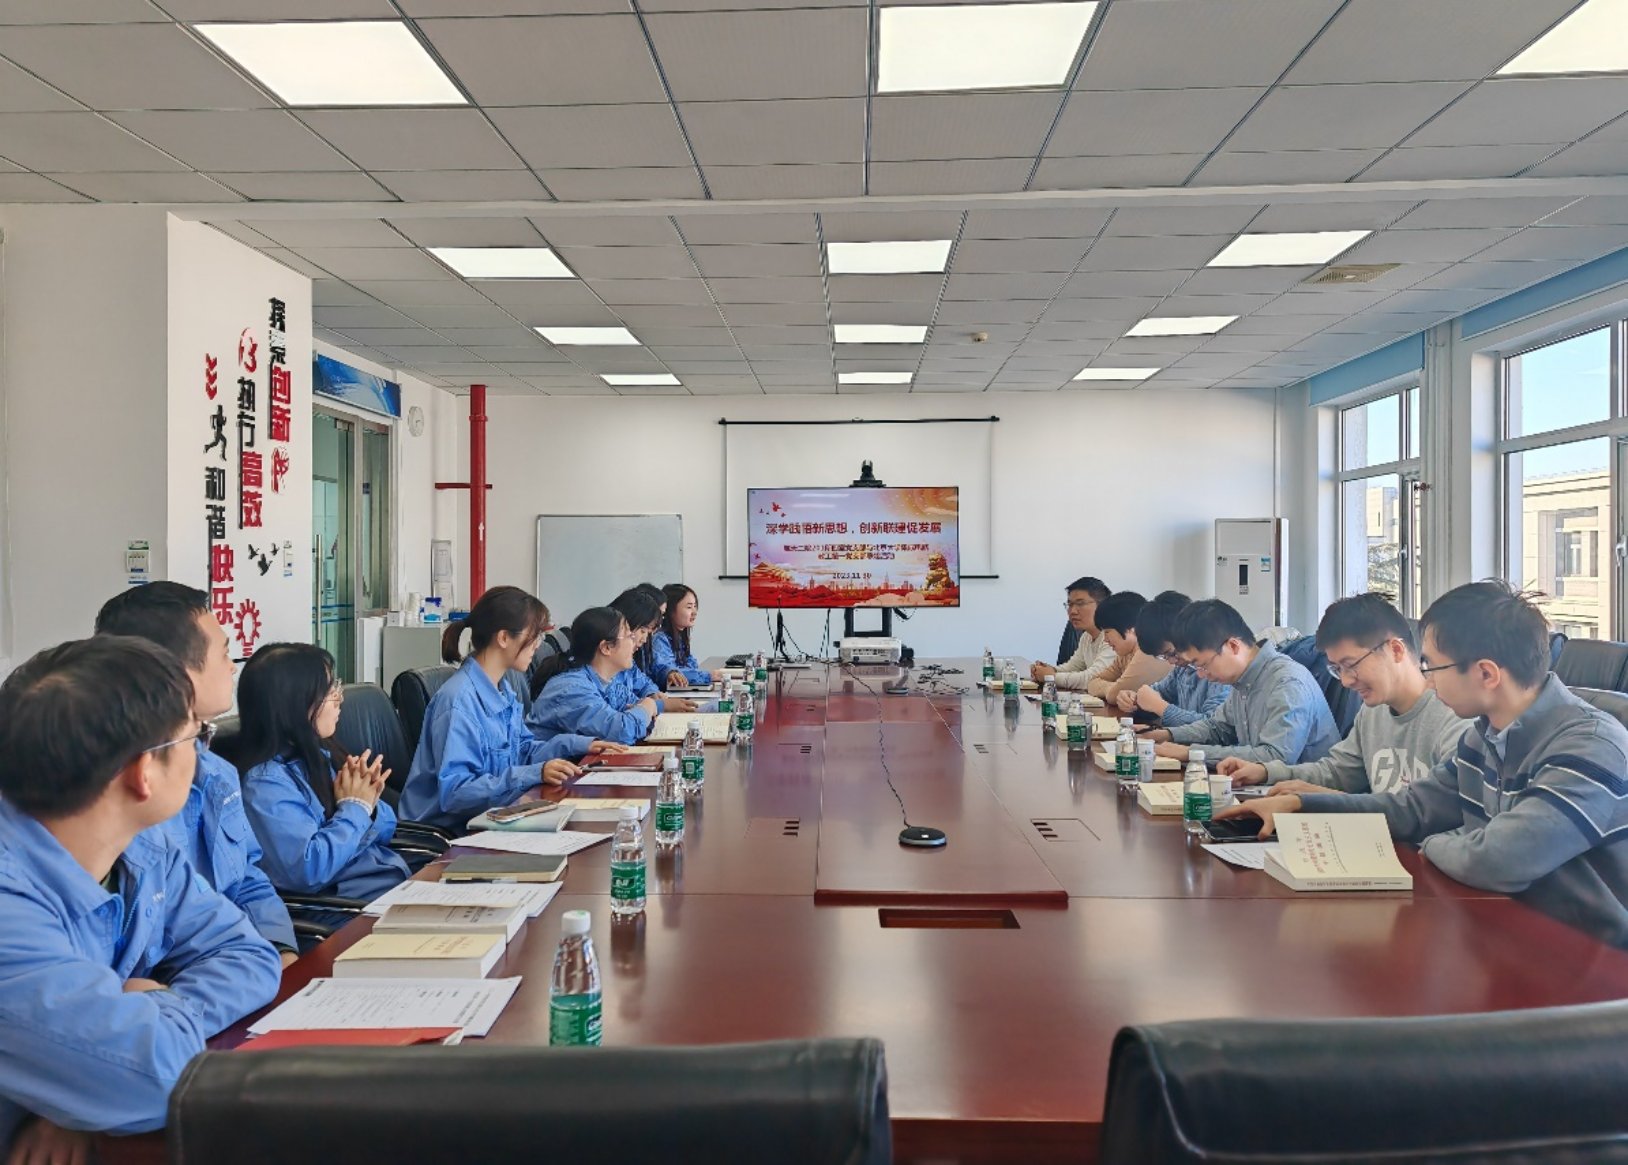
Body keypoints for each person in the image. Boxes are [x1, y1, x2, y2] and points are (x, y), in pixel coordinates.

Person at [1218, 581, 1628, 948]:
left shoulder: (1589, 745)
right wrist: (1300, 806)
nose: (1427, 679)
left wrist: (1428, 844)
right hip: (1501, 934)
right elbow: (1412, 809)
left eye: (1432, 666)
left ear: (1486, 674)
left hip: (1590, 967)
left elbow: (1499, 860)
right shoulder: (1483, 736)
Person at [0, 638, 281, 1157]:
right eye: (196, 737)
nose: (202, 754)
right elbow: (156, 1078)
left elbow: (249, 955)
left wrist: (92, 1077)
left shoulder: (144, 848)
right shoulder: (8, 905)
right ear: (143, 772)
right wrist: (127, 1038)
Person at [94, 582, 297, 963]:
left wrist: (281, 949)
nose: (232, 667)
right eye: (224, 653)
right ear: (175, 672)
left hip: (238, 965)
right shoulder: (126, 795)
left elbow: (247, 880)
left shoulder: (218, 771)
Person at [399, 586, 622, 831]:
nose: (537, 645)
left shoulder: (502, 689)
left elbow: (523, 750)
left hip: (497, 816)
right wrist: (535, 773)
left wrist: (579, 745)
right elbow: (457, 793)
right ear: (504, 638)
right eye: (534, 635)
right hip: (453, 833)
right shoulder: (458, 702)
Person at [1216, 594, 1466, 793]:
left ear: (1396, 650)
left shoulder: (1454, 719)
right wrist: (1266, 772)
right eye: (1337, 669)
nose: (1345, 681)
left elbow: (1429, 815)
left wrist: (1330, 799)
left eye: (1351, 665)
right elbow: (1336, 772)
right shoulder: (1372, 713)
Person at [237, 644, 411, 903]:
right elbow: (309, 870)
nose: (339, 699)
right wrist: (356, 809)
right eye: (329, 691)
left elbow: (387, 826)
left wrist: (368, 806)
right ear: (295, 704)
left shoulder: (316, 756)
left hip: (382, 885)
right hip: (345, 908)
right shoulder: (265, 784)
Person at [1143, 598, 1340, 765]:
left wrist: (1191, 753)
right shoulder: (1242, 681)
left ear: (1233, 646)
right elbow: (1217, 728)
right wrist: (1168, 735)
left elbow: (1275, 756)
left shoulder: (1287, 682)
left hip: (1303, 794)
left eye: (1202, 665)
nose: (1201, 675)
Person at [529, 607, 665, 745]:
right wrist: (647, 707)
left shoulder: (606, 682)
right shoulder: (572, 689)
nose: (635, 643)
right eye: (629, 636)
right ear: (606, 647)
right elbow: (622, 732)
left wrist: (643, 709)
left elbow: (635, 706)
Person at [1115, 591, 1231, 726]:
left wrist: (1161, 707)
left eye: (1172, 653)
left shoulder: (1219, 669)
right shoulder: (1182, 670)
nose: (1171, 661)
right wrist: (1133, 700)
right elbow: (1157, 693)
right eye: (1164, 657)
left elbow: (1214, 727)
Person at [607, 587, 698, 715]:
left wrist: (653, 694)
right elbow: (621, 713)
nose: (645, 639)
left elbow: (642, 683)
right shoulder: (600, 673)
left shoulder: (625, 660)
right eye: (643, 631)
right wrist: (657, 705)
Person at [1031, 576, 1114, 690]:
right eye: (1070, 605)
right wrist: (1047, 670)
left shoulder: (1113, 637)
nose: (1073, 611)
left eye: (1080, 604)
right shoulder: (1087, 636)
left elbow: (1093, 678)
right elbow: (1073, 667)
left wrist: (1051, 677)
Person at [1085, 591, 1171, 702]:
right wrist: (1114, 688)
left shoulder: (1148, 652)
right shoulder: (1124, 654)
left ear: (1130, 629)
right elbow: (1092, 683)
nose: (1105, 640)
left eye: (1107, 632)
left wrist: (1114, 689)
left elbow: (1113, 696)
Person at [653, 583, 725, 691]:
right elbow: (672, 672)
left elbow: (691, 666)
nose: (694, 612)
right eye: (689, 607)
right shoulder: (659, 639)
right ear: (670, 610)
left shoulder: (679, 638)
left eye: (695, 606)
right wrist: (708, 676)